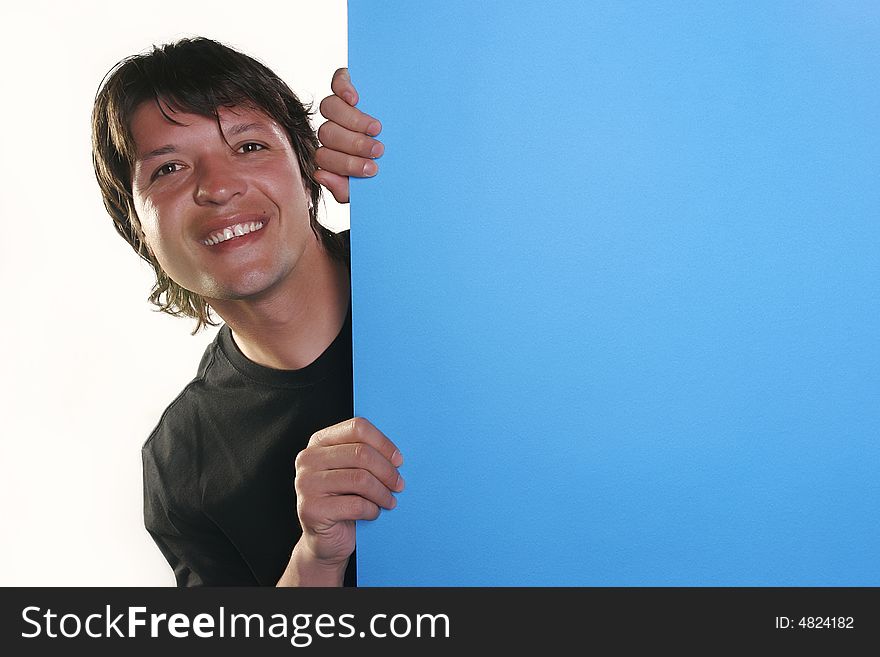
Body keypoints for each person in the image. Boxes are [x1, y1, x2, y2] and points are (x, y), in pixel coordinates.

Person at [91, 37, 400, 586]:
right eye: (168, 169)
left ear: (308, 166)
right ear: (137, 228)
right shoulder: (181, 464)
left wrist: (414, 151)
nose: (218, 186)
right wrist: (316, 560)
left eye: (250, 146)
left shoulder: (435, 268)